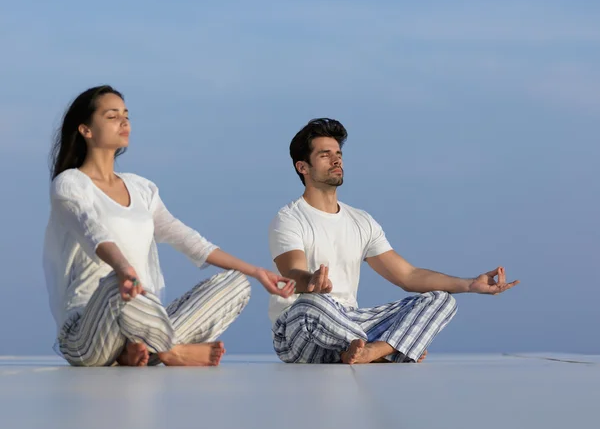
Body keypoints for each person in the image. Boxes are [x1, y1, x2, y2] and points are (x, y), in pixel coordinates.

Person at [43, 85, 296, 367]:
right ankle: (170, 351)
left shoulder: (142, 189)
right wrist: (124, 269)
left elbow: (188, 239)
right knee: (120, 284)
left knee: (237, 282)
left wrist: (257, 271)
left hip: (142, 323)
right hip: (86, 333)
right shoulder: (70, 184)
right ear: (86, 130)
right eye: (112, 116)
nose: (124, 122)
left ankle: (139, 350)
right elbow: (93, 232)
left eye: (126, 115)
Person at [267, 118, 519, 364]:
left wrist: (470, 284)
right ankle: (393, 349)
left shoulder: (361, 220)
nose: (336, 160)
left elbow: (407, 276)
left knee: (440, 300)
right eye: (325, 155)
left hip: (350, 324)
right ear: (303, 167)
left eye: (338, 153)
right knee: (311, 304)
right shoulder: (289, 218)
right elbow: (291, 272)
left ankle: (373, 352)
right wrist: (310, 281)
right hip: (300, 331)